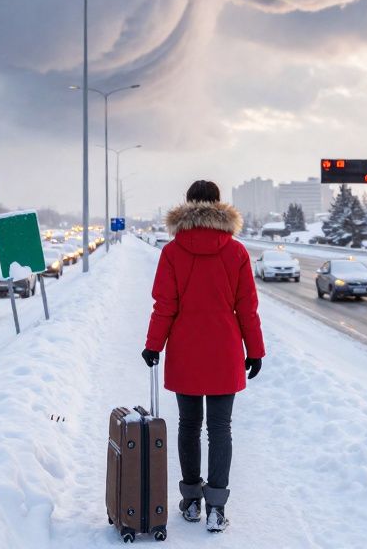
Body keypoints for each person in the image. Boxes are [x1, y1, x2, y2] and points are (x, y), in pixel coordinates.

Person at [142, 180, 265, 534]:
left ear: (188, 204)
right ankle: (216, 508)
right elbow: (247, 309)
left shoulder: (172, 251)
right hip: (224, 351)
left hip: (185, 352)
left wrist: (154, 345)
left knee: (189, 426)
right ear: (218, 204)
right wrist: (254, 350)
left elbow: (164, 305)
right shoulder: (237, 252)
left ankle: (192, 500)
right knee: (220, 428)